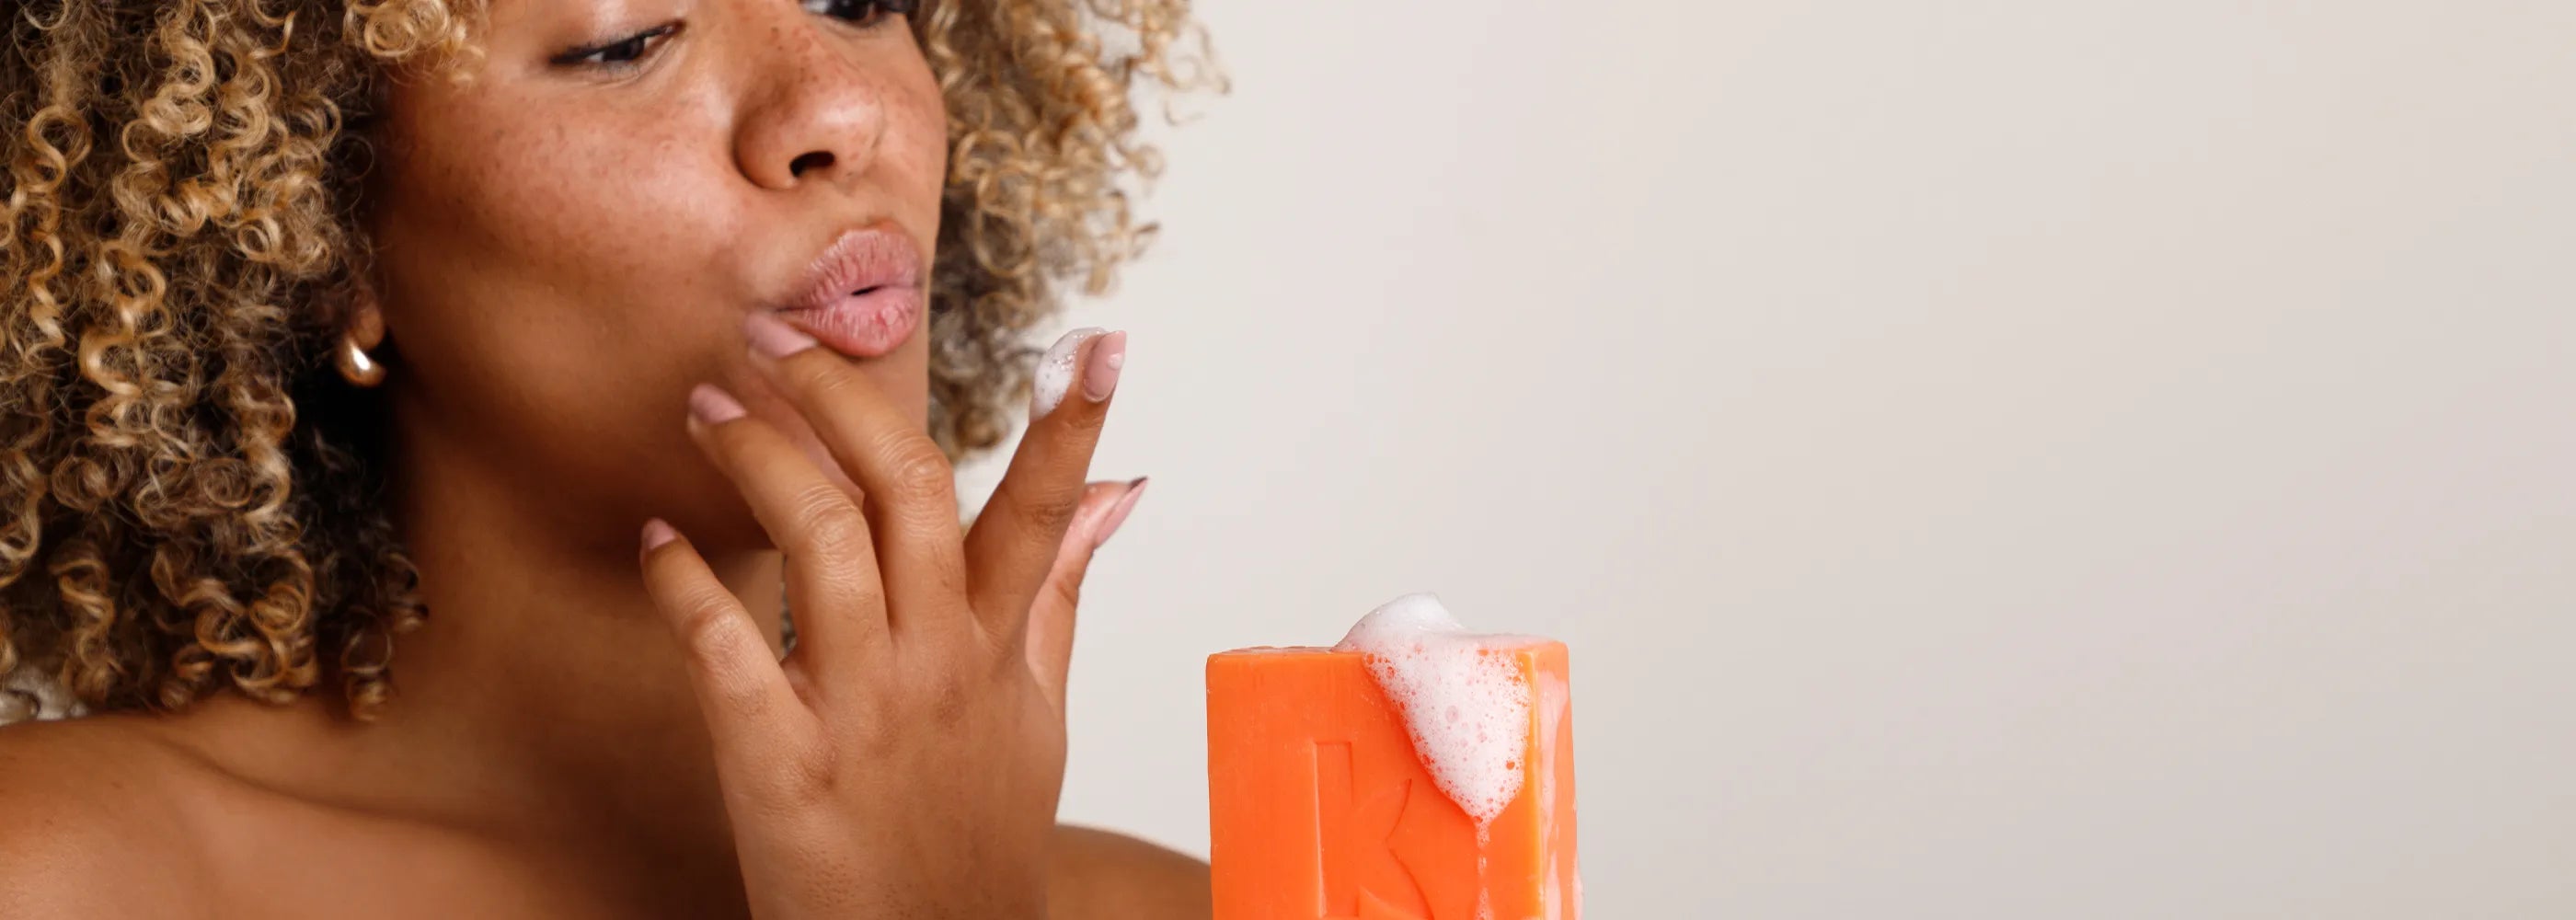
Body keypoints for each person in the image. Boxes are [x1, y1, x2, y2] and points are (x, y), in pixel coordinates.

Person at [0, 0, 1214, 915]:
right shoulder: (66, 873)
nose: (839, 108)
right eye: (623, 40)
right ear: (326, 237)